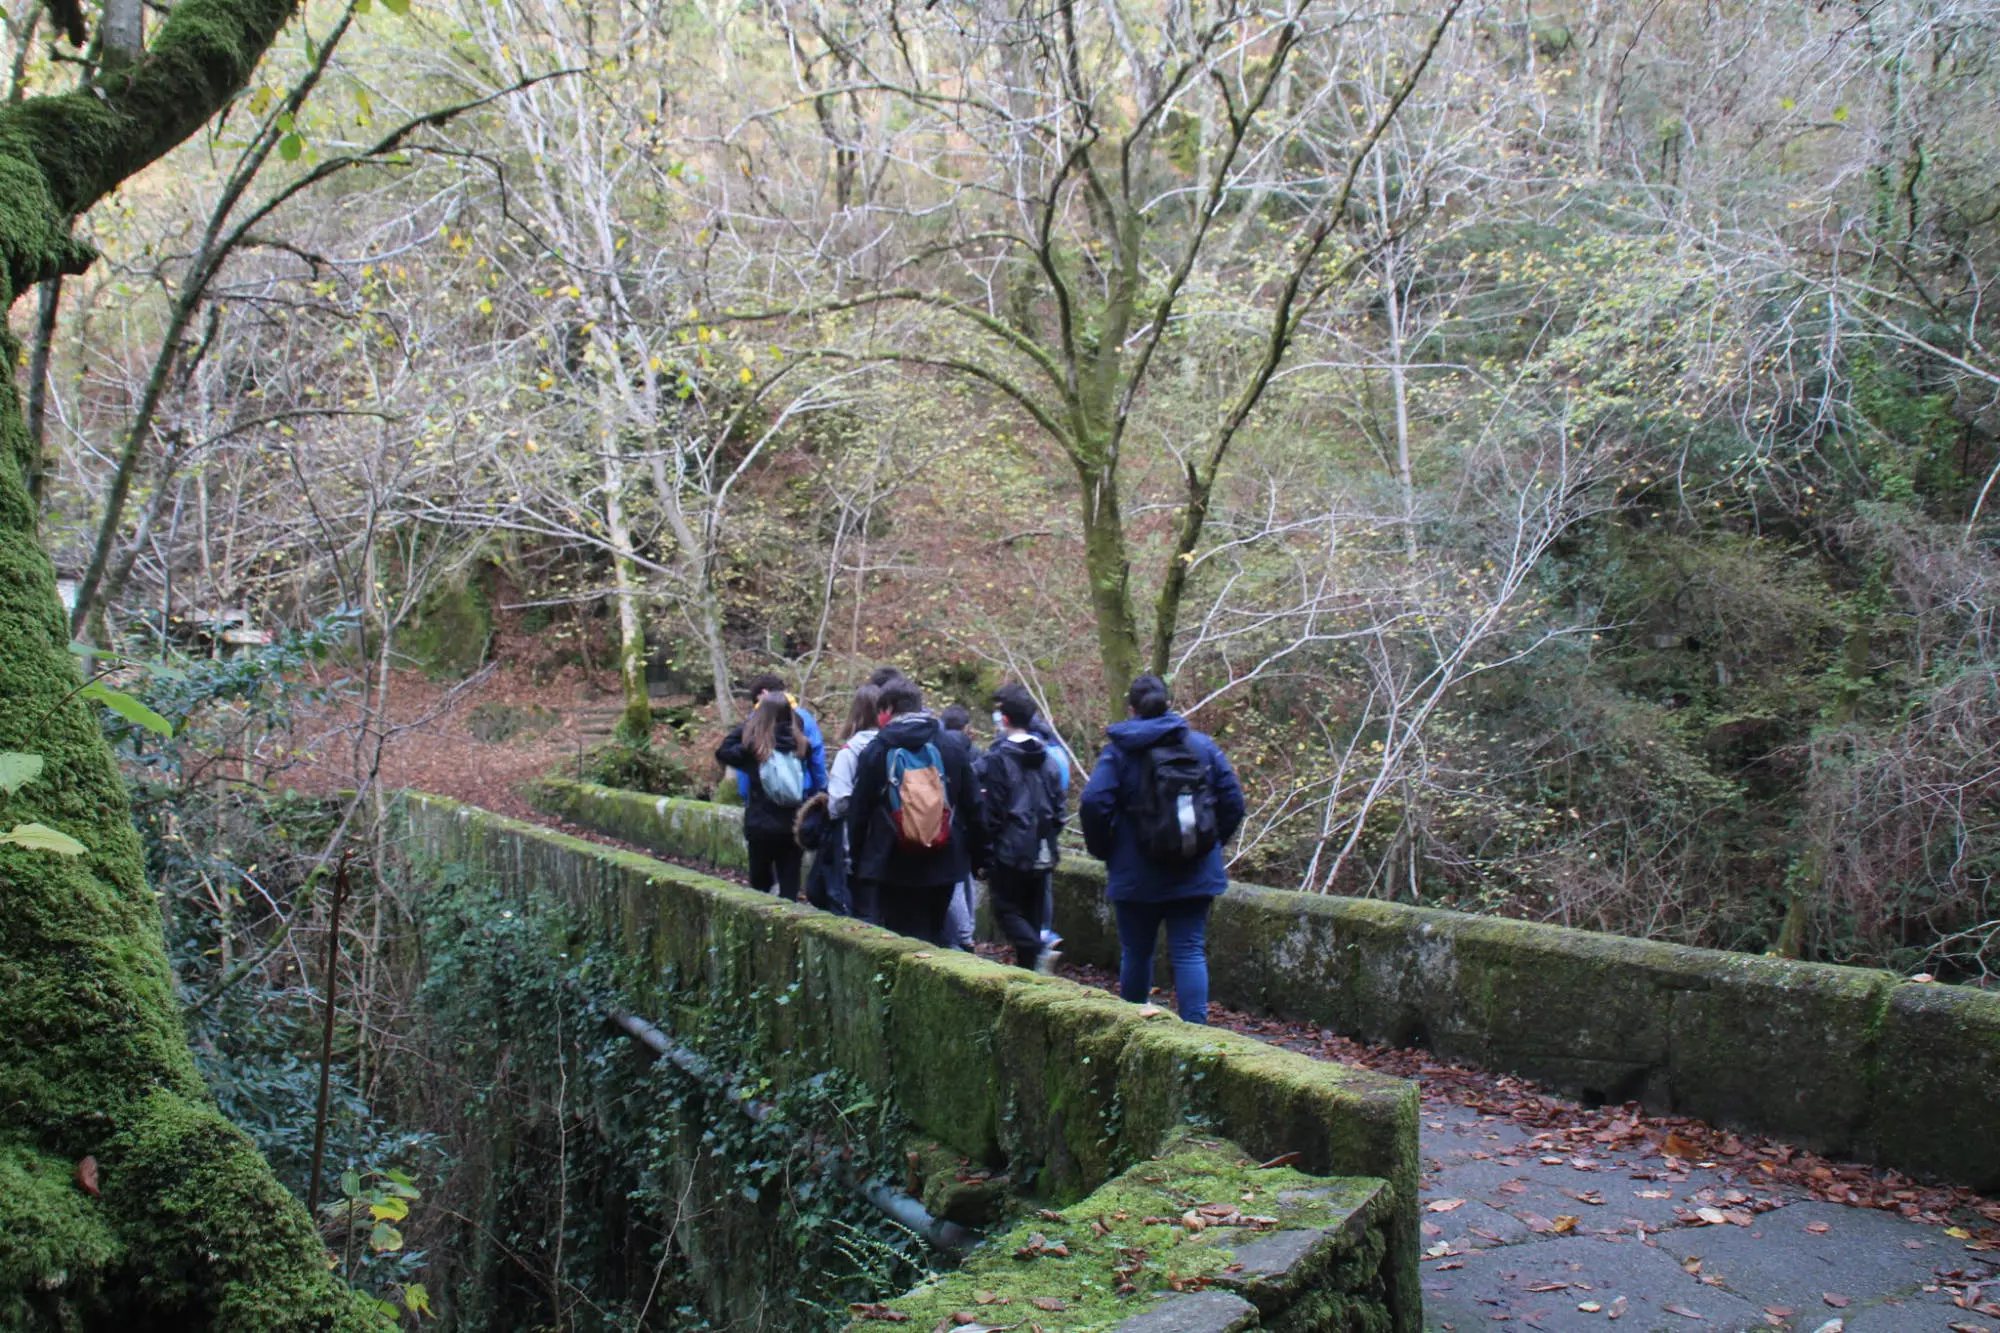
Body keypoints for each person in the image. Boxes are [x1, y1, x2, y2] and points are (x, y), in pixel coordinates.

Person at [1079, 674, 1245, 1024]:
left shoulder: (1120, 751)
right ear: (1169, 703)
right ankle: (1196, 1034)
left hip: (1135, 874)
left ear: (1131, 708)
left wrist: (1105, 849)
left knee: (1137, 953)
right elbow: (1233, 801)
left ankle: (1131, 1027)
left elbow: (1094, 802)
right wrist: (1209, 843)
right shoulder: (1201, 747)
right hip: (1194, 870)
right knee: (1189, 951)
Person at [846, 677, 985, 946]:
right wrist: (980, 857)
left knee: (900, 938)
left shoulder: (876, 750)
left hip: (891, 862)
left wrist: (858, 859)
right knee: (935, 931)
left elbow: (859, 812)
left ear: (888, 709)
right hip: (944, 859)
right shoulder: (952, 747)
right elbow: (974, 806)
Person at [978, 691, 1065, 970]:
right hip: (1042, 847)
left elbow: (993, 811)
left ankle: (1037, 949)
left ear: (1004, 719)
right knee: (1032, 914)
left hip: (1010, 849)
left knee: (1006, 910)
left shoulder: (998, 759)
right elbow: (1059, 806)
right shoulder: (1048, 758)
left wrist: (987, 850)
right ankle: (1031, 972)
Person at [715, 692, 821, 901]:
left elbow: (723, 751)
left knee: (760, 886)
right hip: (792, 823)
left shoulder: (754, 749)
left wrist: (750, 725)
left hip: (760, 824)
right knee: (790, 883)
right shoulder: (801, 745)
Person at [824, 683, 883, 920]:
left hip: (859, 844)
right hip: (894, 844)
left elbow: (837, 803)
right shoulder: (896, 747)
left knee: (860, 909)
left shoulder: (850, 752)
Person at [734, 672, 827, 803]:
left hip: (762, 798)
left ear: (764, 693)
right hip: (800, 795)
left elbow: (744, 767)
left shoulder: (753, 721)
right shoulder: (806, 718)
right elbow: (817, 759)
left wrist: (746, 796)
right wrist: (819, 791)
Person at [939, 704, 978, 952]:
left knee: (954, 884)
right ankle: (968, 933)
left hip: (944, 826)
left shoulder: (938, 749)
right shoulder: (974, 753)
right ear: (966, 728)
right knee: (965, 880)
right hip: (964, 828)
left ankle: (962, 936)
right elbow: (975, 800)